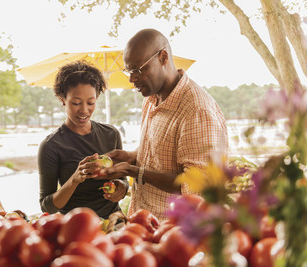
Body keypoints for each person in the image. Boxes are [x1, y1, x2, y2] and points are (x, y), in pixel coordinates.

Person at [97, 29, 228, 221]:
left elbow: (197, 186)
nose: (132, 79)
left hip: (174, 233)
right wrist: (133, 157)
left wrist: (133, 171)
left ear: (163, 57)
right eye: (128, 72)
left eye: (137, 70)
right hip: (142, 224)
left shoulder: (197, 109)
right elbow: (163, 154)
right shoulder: (151, 98)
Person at [38, 60, 129, 219]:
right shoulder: (51, 146)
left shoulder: (111, 134)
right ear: (62, 99)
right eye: (76, 103)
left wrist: (120, 187)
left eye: (91, 102)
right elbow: (47, 206)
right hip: (75, 225)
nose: (84, 110)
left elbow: (122, 180)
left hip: (113, 221)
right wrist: (74, 179)